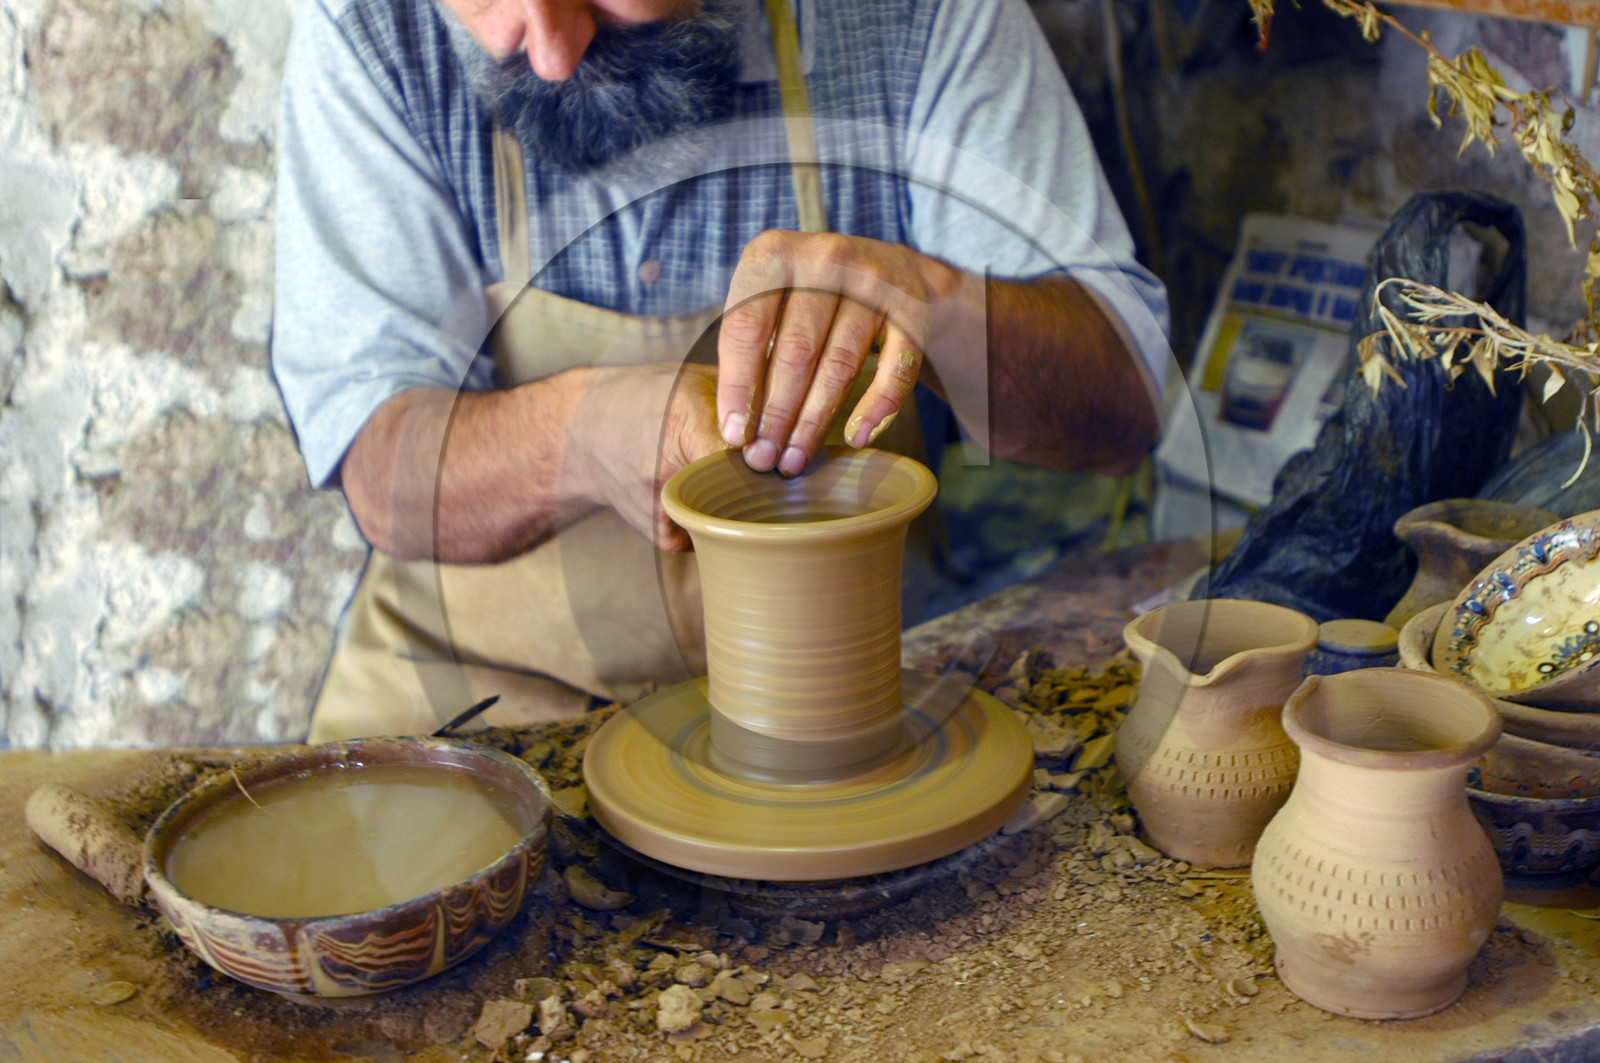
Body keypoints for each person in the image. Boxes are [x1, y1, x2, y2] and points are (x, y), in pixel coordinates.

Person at [271, 0, 1172, 741]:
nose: (547, 51)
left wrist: (939, 304)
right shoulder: (373, 32)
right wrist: (586, 436)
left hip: (841, 688)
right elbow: (384, 470)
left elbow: (1124, 404)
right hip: (470, 688)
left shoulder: (919, 17)